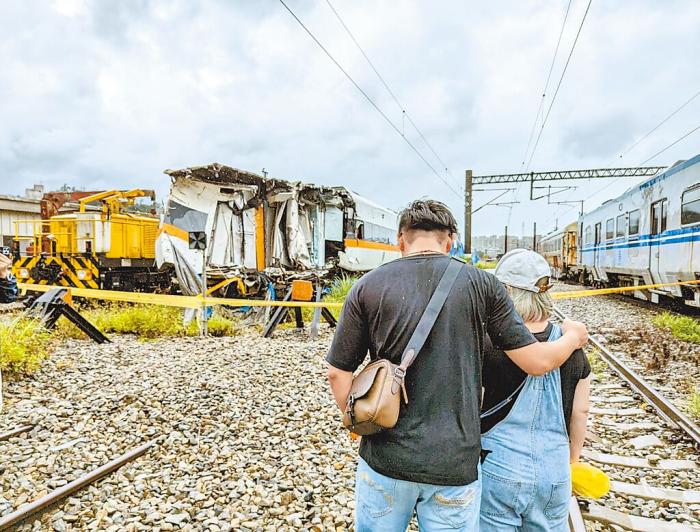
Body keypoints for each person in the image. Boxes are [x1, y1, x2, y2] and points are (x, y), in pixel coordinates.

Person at [326, 200, 588, 532]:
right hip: (454, 464)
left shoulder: (367, 287)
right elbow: (537, 362)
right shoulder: (483, 285)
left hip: (384, 459)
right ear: (450, 240)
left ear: (400, 239)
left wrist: (358, 422)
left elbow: (338, 372)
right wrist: (572, 338)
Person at [480, 249, 591, 531]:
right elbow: (580, 411)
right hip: (554, 471)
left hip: (498, 468)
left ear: (505, 292)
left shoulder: (489, 345)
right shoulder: (572, 346)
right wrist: (573, 461)